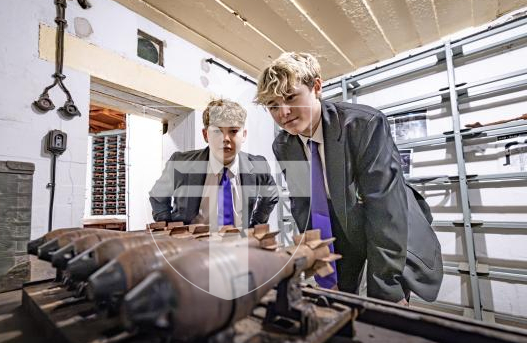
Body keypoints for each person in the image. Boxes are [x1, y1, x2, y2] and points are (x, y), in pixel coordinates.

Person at [254, 52, 443, 304]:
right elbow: (303, 204)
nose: (284, 112)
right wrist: (321, 266)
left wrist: (387, 291)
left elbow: (385, 209)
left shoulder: (364, 125)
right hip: (340, 225)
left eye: (290, 97)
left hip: (388, 224)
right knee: (337, 301)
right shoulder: (284, 145)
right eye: (273, 106)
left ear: (316, 87)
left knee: (385, 306)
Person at [149, 99, 278, 230]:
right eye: (217, 131)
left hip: (238, 242)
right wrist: (169, 227)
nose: (225, 139)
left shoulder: (258, 165)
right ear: (206, 135)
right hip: (193, 244)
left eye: (233, 131)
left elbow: (271, 194)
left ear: (244, 135)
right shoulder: (180, 163)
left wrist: (255, 224)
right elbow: (157, 196)